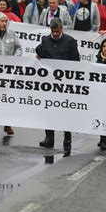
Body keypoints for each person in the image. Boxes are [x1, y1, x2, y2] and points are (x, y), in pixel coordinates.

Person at [35, 18, 80, 157]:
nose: (55, 34)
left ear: (62, 29)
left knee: (65, 111)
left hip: (65, 83)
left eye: (57, 31)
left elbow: (76, 62)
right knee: (49, 109)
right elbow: (41, 55)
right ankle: (49, 137)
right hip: (49, 82)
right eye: (53, 31)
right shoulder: (45, 40)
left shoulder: (70, 41)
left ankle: (67, 139)